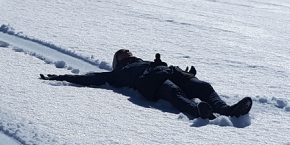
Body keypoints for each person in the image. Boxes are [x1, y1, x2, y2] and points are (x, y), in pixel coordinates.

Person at [40, 49, 252, 120]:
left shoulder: (147, 61)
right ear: (117, 61)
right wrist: (61, 77)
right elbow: (89, 78)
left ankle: (228, 110)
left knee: (203, 87)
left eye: (129, 52)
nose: (128, 54)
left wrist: (183, 72)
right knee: (173, 92)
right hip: (151, 83)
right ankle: (199, 112)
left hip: (170, 72)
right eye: (123, 54)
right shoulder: (116, 74)